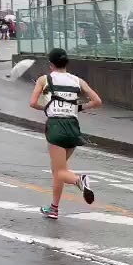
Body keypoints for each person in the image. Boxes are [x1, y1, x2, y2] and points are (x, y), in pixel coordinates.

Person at [29, 48, 100, 219]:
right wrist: (79, 107)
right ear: (66, 62)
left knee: (60, 171)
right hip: (73, 126)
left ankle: (80, 180)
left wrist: (47, 108)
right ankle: (54, 208)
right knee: (59, 170)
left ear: (51, 64)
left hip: (56, 126)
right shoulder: (77, 80)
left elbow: (33, 103)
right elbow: (97, 101)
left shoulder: (44, 79)